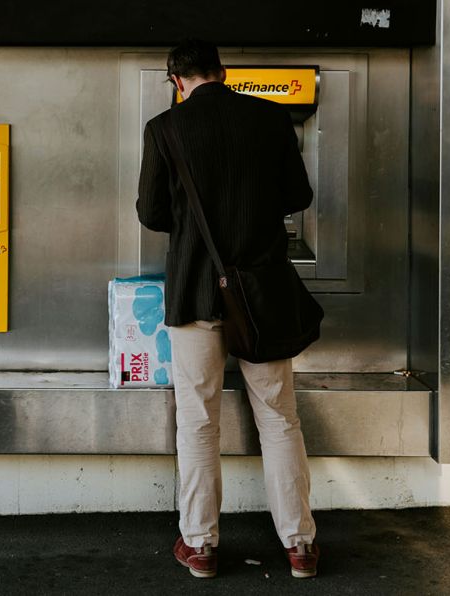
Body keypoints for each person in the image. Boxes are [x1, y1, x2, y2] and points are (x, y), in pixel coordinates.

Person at [135, 40, 319, 579]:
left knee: (198, 420)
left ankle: (201, 545)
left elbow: (151, 213)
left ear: (178, 81)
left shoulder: (163, 129)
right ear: (222, 72)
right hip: (260, 294)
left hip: (194, 290)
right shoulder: (269, 117)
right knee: (280, 418)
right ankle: (300, 545)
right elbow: (299, 196)